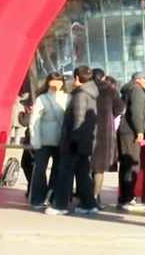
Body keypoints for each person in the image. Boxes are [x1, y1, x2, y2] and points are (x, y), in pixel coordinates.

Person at [47, 65, 100, 216]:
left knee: (65, 174)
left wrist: (74, 140)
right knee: (83, 174)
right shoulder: (91, 93)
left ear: (77, 78)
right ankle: (89, 204)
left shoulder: (81, 95)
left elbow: (79, 119)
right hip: (85, 140)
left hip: (74, 142)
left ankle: (60, 205)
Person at [28, 72, 68, 209]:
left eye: (59, 81)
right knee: (40, 170)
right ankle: (38, 198)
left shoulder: (67, 98)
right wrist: (35, 140)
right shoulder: (42, 99)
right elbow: (34, 121)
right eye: (53, 80)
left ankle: (52, 196)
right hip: (44, 140)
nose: (56, 83)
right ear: (48, 82)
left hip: (61, 141)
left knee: (58, 170)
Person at [91, 70, 124, 208]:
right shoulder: (110, 90)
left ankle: (85, 198)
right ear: (103, 77)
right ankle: (95, 197)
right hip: (104, 133)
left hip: (86, 131)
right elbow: (120, 109)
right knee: (99, 168)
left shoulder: (85, 89)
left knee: (86, 166)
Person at [117, 72, 145, 212]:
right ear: (139, 80)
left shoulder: (127, 90)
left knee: (125, 165)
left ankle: (123, 198)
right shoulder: (136, 90)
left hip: (124, 131)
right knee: (132, 164)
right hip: (131, 132)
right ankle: (129, 198)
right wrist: (139, 130)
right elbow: (136, 112)